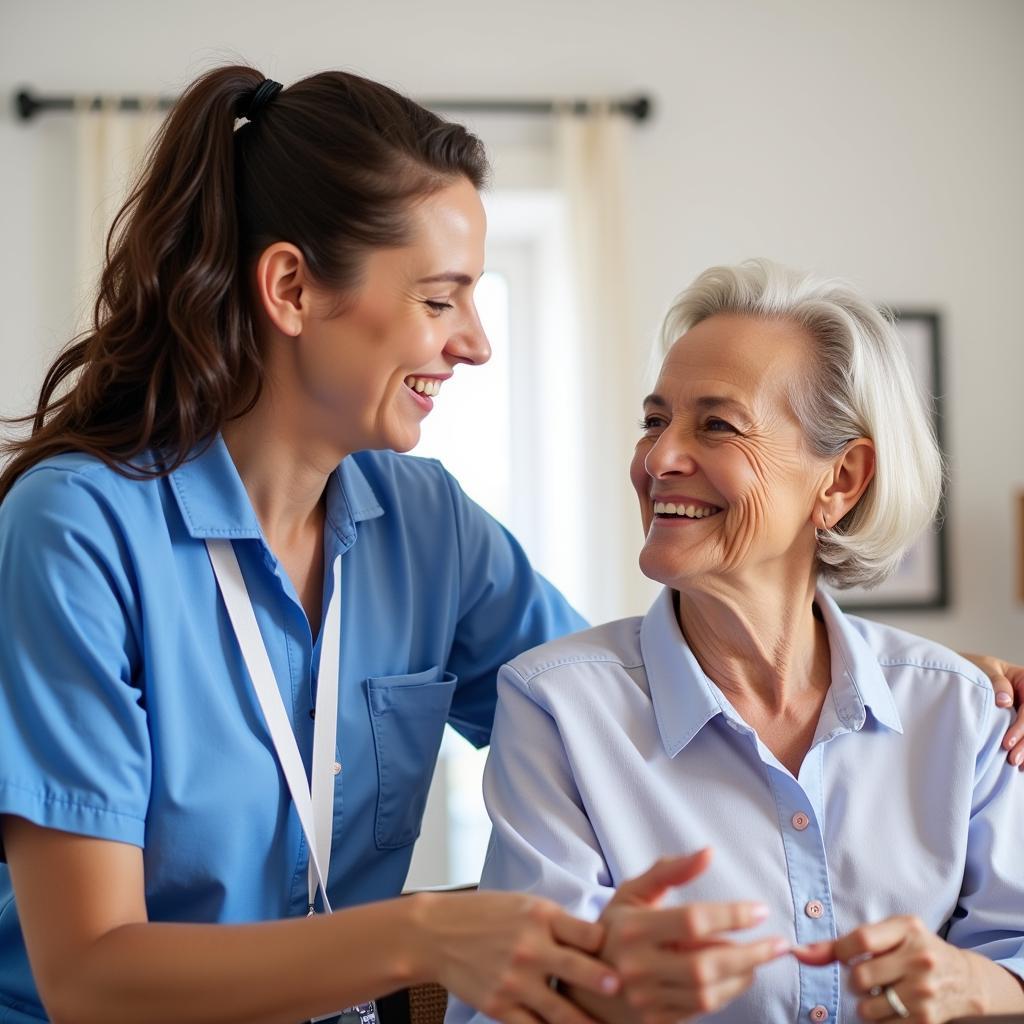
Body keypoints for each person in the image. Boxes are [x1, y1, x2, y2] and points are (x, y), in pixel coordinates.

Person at [0, 69, 1020, 1024]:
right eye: (439, 299)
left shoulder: (424, 523)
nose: (475, 341)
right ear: (291, 290)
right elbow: (90, 973)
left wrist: (901, 686)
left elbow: (635, 708)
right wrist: (428, 934)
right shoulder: (75, 531)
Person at [447, 261, 1024, 1024]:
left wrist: (969, 983)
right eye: (655, 420)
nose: (657, 459)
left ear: (842, 479)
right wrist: (601, 988)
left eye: (715, 424)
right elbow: (506, 1007)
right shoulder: (555, 708)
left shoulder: (964, 712)